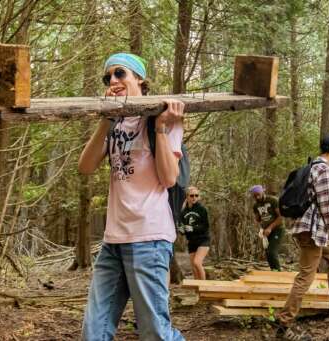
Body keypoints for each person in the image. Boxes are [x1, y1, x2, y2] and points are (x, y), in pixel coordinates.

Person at [77, 53, 186, 340]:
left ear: (139, 78)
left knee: (154, 333)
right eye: (108, 77)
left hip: (148, 237)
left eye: (120, 74)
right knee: (93, 331)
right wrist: (106, 119)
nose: (113, 81)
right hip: (113, 240)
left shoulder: (164, 119)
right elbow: (85, 167)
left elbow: (169, 178)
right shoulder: (113, 124)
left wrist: (161, 127)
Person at [276, 135, 329, 339]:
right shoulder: (324, 171)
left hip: (308, 230)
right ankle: (283, 323)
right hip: (312, 232)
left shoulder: (310, 167)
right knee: (305, 276)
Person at [250, 185, 284, 271]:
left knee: (272, 251)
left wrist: (270, 228)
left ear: (262, 192)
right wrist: (261, 229)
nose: (257, 197)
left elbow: (280, 217)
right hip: (266, 232)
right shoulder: (255, 206)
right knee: (268, 253)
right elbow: (258, 219)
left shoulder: (273, 200)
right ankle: (274, 271)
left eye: (258, 194)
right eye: (254, 196)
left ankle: (278, 273)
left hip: (277, 229)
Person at [180, 186, 210, 280]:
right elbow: (183, 228)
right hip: (192, 241)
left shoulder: (202, 209)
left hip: (203, 240)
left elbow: (206, 226)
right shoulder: (183, 212)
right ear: (187, 197)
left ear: (199, 197)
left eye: (196, 195)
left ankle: (204, 288)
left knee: (197, 263)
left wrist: (193, 228)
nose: (194, 198)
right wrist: (182, 230)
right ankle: (198, 291)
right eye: (192, 195)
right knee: (194, 267)